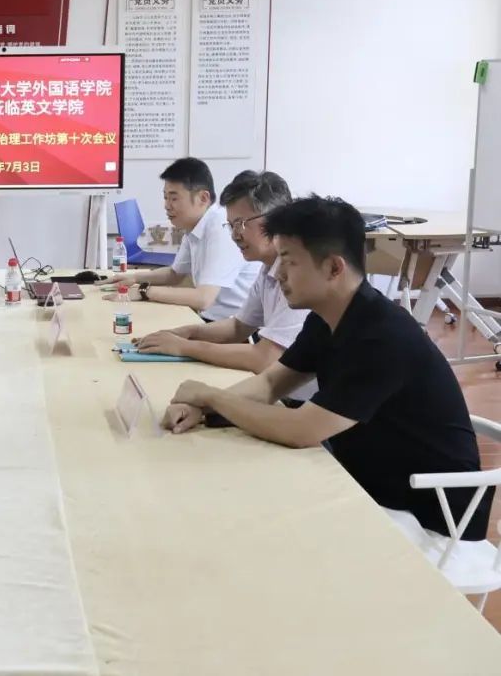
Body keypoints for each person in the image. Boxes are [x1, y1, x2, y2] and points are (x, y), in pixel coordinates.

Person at [162, 196, 492, 540]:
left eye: (289, 261)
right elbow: (270, 384)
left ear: (334, 268)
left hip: (431, 517)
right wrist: (201, 408)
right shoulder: (328, 317)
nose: (279, 273)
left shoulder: (383, 336)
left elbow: (301, 430)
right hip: (370, 484)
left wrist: (211, 397)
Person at [133, 171, 313, 402]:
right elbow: (238, 327)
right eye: (231, 225)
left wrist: (184, 347)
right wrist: (185, 333)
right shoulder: (268, 267)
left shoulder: (300, 274)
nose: (235, 235)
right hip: (277, 390)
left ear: (276, 219)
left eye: (241, 224)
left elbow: (265, 358)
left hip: (302, 402)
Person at [107, 158, 260, 320]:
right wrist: (134, 278)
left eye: (174, 198)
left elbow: (203, 299)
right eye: (165, 197)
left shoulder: (221, 227)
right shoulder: (195, 224)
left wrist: (143, 291)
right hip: (214, 320)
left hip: (236, 326)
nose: (167, 205)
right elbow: (175, 274)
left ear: (203, 198)